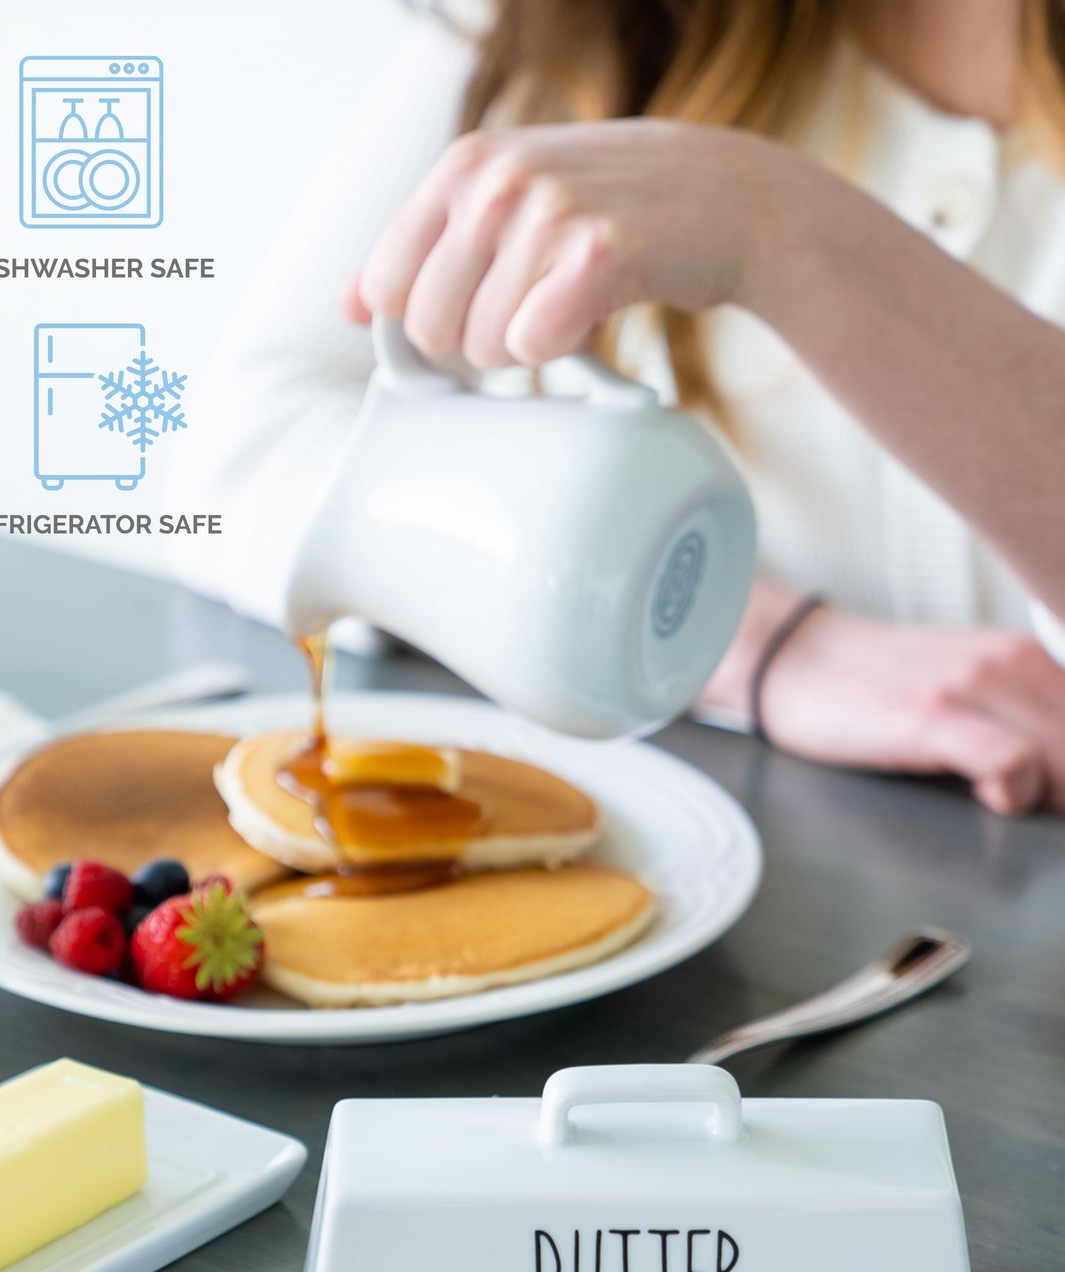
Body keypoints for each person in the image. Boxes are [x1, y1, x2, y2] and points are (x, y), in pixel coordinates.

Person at [170, 0, 1065, 814]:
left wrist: (787, 231)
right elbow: (247, 455)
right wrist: (754, 645)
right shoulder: (570, 22)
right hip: (716, 851)